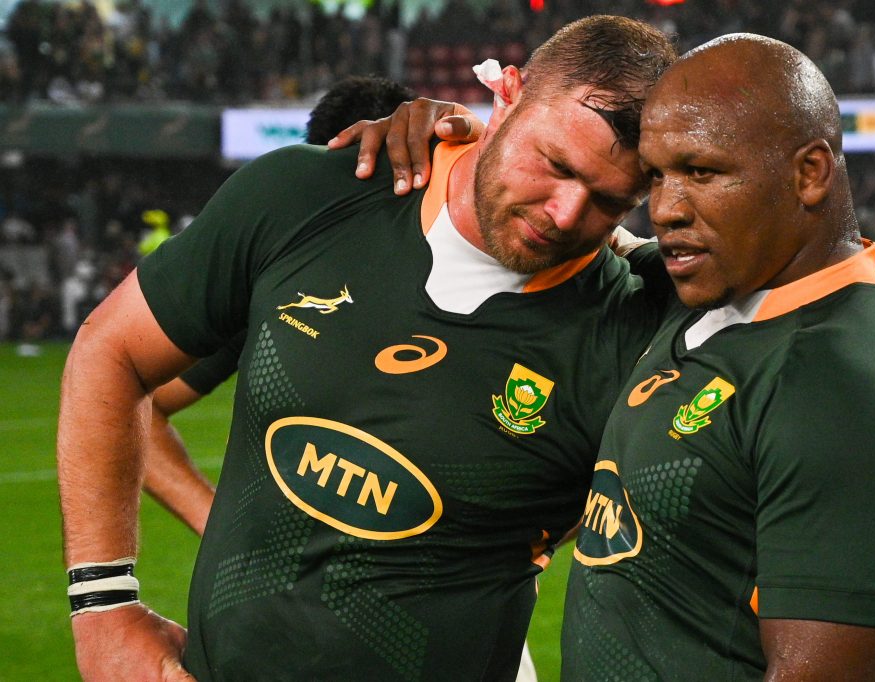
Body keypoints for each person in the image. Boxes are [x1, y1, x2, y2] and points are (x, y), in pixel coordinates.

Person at [56, 16, 675, 682]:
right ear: (507, 95)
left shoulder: (640, 323)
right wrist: (103, 605)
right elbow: (112, 352)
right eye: (555, 165)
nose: (566, 213)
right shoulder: (307, 196)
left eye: (609, 202)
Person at [336, 32, 875, 680]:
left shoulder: (851, 394)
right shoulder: (705, 292)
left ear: (809, 174)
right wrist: (475, 134)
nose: (665, 210)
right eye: (656, 177)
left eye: (701, 173)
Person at [143, 74, 419, 536]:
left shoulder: (466, 279)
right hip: (299, 570)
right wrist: (220, 529)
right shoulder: (276, 289)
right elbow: (138, 406)